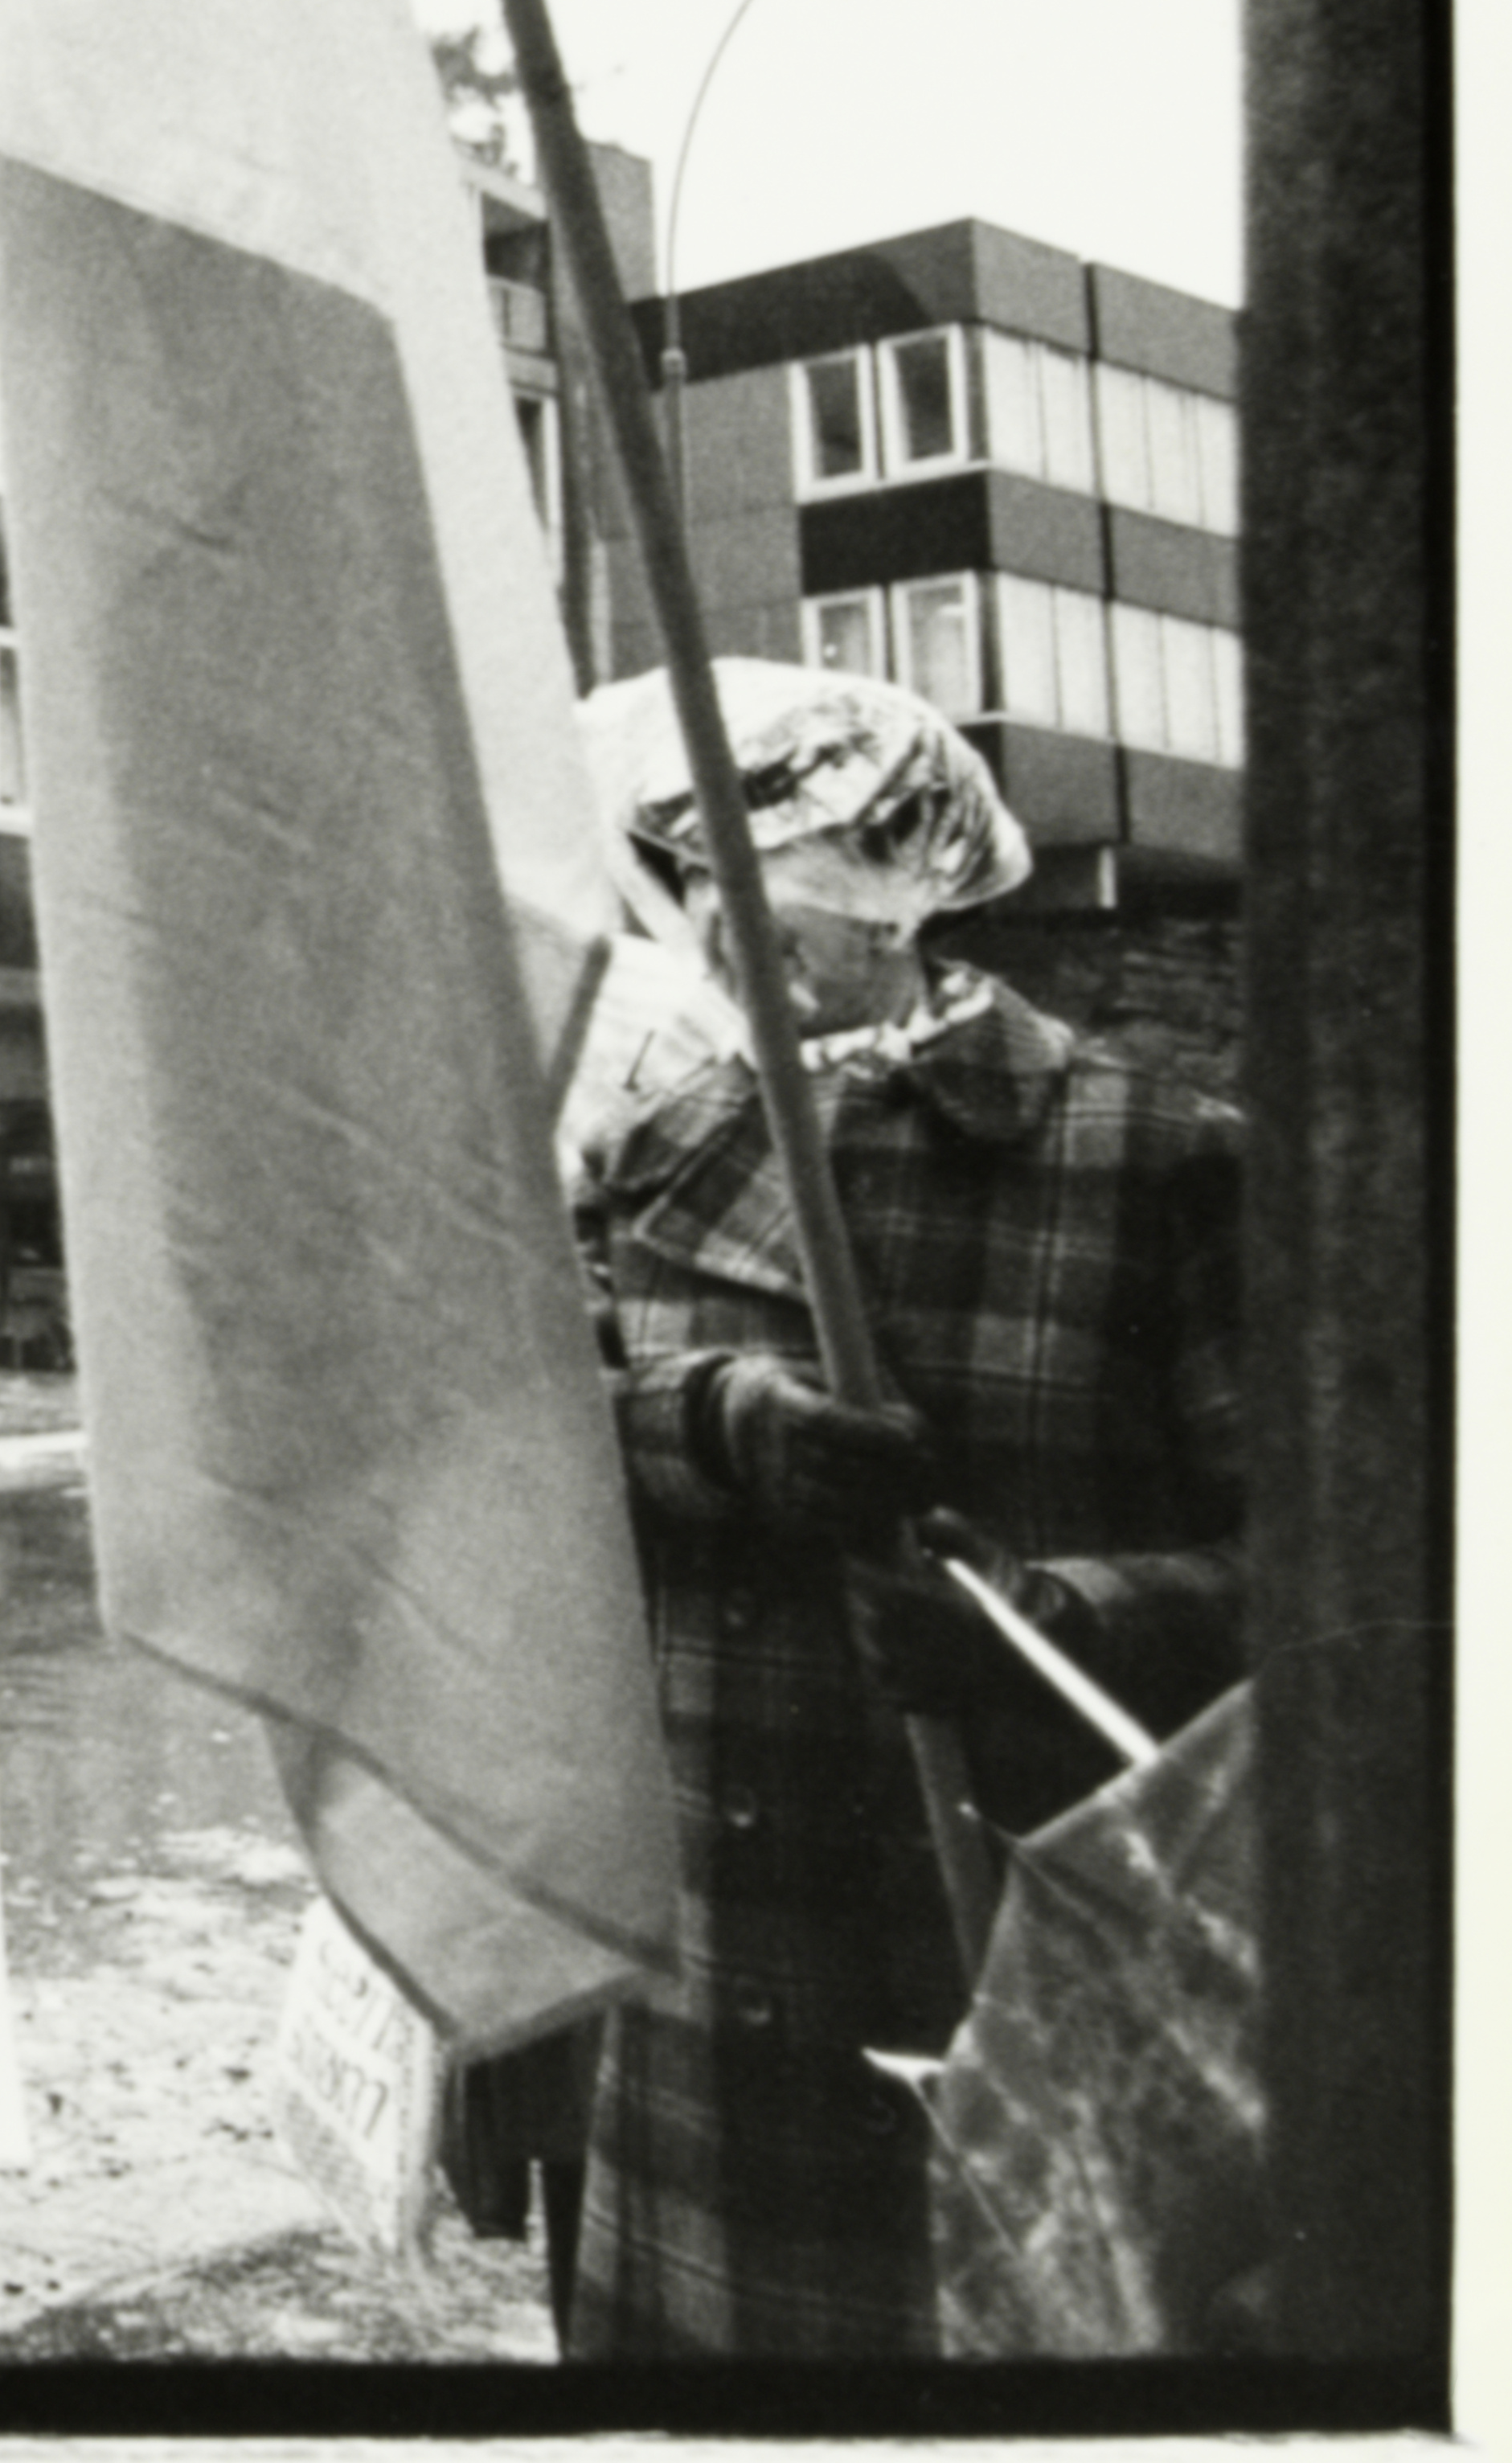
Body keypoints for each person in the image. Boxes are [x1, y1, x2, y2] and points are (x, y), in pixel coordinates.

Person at [571, 663, 1244, 2358]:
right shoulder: (662, 1146)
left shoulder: (1152, 1155)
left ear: (902, 884)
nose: (731, 929)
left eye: (779, 885)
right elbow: (525, 1452)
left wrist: (1047, 1617)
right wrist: (705, 1425)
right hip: (716, 1965)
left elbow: (1343, 1578)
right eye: (702, 883)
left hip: (1002, 1954)